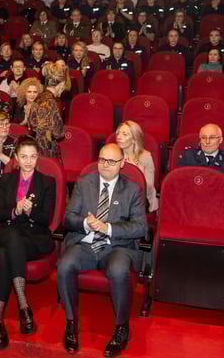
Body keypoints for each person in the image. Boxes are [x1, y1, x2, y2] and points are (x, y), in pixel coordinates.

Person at [57, 143, 147, 355]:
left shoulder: (132, 189)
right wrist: (86, 224)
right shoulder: (84, 183)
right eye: (102, 159)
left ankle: (122, 327)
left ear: (122, 163)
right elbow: (68, 218)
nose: (105, 165)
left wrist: (108, 228)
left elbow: (141, 227)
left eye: (111, 161)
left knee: (119, 270)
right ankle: (71, 323)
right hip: (85, 244)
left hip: (116, 247)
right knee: (64, 265)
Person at [0, 137, 57, 349]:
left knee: (3, 255)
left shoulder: (48, 182)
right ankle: (23, 304)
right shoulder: (6, 179)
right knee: (11, 237)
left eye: (33, 156)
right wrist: (15, 210)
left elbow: (47, 219)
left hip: (33, 237)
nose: (28, 161)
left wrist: (29, 212)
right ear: (16, 158)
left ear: (38, 158)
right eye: (24, 156)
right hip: (6, 232)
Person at [174, 124, 224, 191]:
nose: (207, 142)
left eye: (212, 137)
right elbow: (178, 183)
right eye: (203, 137)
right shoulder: (188, 156)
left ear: (220, 140)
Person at [114, 121, 158, 212]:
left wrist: (137, 173)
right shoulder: (113, 154)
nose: (119, 137)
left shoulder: (145, 157)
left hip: (141, 200)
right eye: (118, 133)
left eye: (124, 134)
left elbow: (149, 189)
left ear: (134, 139)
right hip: (117, 198)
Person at [27, 63, 66, 160]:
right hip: (47, 150)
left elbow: (32, 123)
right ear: (61, 84)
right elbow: (59, 133)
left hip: (35, 148)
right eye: (64, 85)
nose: (64, 88)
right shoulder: (51, 102)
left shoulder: (39, 97)